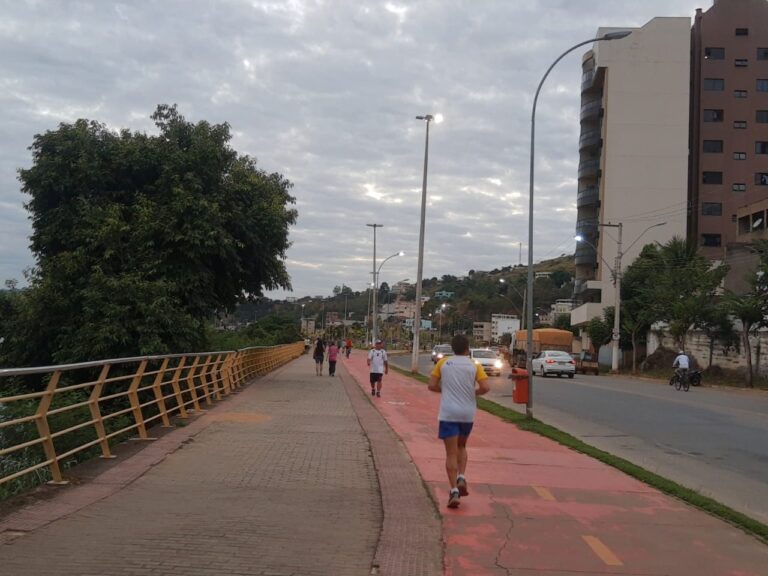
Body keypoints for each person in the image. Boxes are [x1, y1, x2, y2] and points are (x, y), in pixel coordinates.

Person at [428, 334, 490, 509]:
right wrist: (472, 394)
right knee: (462, 447)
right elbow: (485, 387)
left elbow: (431, 385)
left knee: (450, 454)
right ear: (467, 348)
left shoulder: (443, 363)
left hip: (448, 413)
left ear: (452, 348)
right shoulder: (474, 365)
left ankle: (454, 490)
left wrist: (445, 390)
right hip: (467, 413)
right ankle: (462, 476)